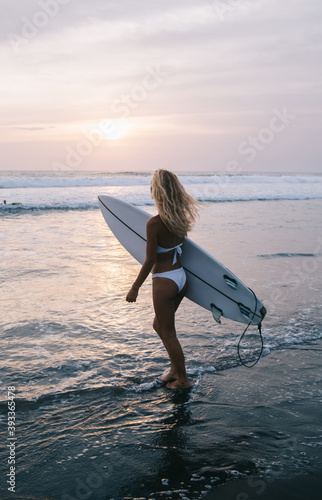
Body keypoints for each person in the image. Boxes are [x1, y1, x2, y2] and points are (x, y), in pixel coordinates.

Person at [126, 169, 199, 389]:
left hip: (164, 280)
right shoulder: (180, 217)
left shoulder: (154, 223)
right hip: (180, 278)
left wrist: (135, 288)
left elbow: (149, 260)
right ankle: (175, 370)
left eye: (152, 185)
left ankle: (183, 380)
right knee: (159, 325)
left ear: (156, 191)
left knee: (168, 332)